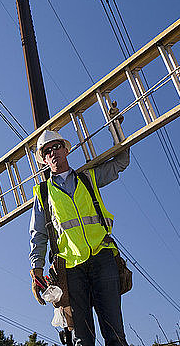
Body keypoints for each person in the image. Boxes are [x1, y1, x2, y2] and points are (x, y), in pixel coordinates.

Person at [29, 129, 130, 346]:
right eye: (47, 151)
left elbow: (121, 162)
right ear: (44, 160)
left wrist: (116, 126)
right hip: (71, 269)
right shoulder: (43, 193)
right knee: (82, 338)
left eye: (56, 147)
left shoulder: (88, 178)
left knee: (114, 331)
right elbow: (38, 235)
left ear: (66, 149)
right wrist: (36, 270)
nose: (53, 152)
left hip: (102, 258)